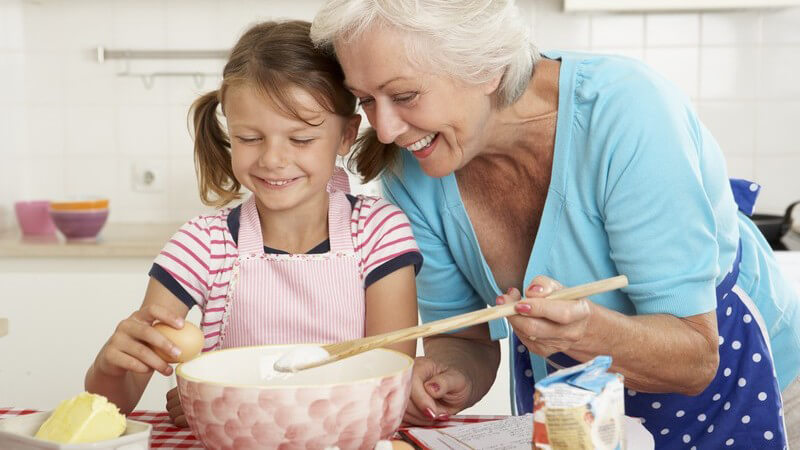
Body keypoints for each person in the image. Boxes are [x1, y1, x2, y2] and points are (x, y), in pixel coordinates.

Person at [311, 1, 800, 448]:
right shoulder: (411, 171)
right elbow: (463, 338)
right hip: (574, 402)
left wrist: (582, 334)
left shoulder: (626, 113)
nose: (387, 130)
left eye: (405, 95)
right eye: (366, 100)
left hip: (743, 382)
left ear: (487, 67)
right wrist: (446, 376)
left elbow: (695, 357)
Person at [84, 20, 422, 427]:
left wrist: (234, 403)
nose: (273, 159)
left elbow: (387, 380)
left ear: (346, 135)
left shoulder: (379, 232)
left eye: (300, 139)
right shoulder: (201, 245)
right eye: (249, 138)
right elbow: (113, 405)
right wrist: (111, 367)